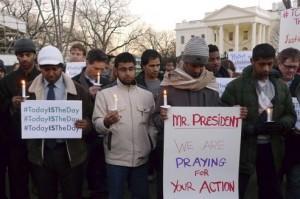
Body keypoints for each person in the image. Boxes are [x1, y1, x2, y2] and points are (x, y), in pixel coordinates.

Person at [221, 43, 296, 199]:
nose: (267, 69)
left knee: (270, 191)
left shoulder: (281, 87)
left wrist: (282, 124)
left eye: (270, 64)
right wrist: (250, 128)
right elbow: (223, 119)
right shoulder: (235, 86)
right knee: (240, 191)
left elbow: (291, 114)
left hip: (272, 149)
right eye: (262, 64)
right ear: (252, 61)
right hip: (244, 149)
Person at [152, 37, 223, 199]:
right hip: (174, 154)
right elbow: (155, 118)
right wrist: (161, 118)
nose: (198, 70)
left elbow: (218, 116)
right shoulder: (169, 84)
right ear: (184, 61)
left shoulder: (210, 83)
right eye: (193, 65)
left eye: (201, 66)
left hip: (204, 155)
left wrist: (233, 114)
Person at [26, 45, 92, 198]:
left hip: (70, 154)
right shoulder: (29, 91)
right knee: (45, 194)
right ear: (39, 67)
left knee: (72, 193)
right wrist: (16, 108)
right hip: (41, 154)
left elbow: (90, 118)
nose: (50, 73)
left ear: (62, 67)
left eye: (55, 69)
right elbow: (20, 123)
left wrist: (86, 125)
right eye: (46, 69)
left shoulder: (79, 90)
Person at [92, 52, 157, 199]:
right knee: (115, 195)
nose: (127, 73)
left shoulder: (146, 95)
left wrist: (150, 143)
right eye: (123, 69)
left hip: (141, 159)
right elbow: (96, 124)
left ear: (136, 69)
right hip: (116, 159)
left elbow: (152, 124)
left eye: (131, 69)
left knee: (141, 195)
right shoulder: (104, 94)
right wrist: (106, 122)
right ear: (116, 70)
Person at [0, 38, 39, 199]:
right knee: (17, 183)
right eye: (20, 55)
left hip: (38, 141)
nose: (24, 58)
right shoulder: (7, 81)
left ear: (34, 56)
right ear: (16, 57)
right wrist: (11, 104)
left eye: (27, 54)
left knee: (42, 182)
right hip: (16, 142)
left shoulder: (43, 77)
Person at [73, 48, 111, 198]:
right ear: (87, 63)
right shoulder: (74, 82)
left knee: (101, 178)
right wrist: (87, 95)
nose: (98, 72)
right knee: (80, 177)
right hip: (83, 138)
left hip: (103, 137)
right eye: (95, 68)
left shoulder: (108, 82)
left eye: (102, 69)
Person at [276, 48, 300, 199]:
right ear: (279, 64)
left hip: (296, 142)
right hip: (275, 141)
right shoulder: (268, 82)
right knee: (273, 182)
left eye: (295, 66)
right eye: (287, 66)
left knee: (295, 182)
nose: (291, 70)